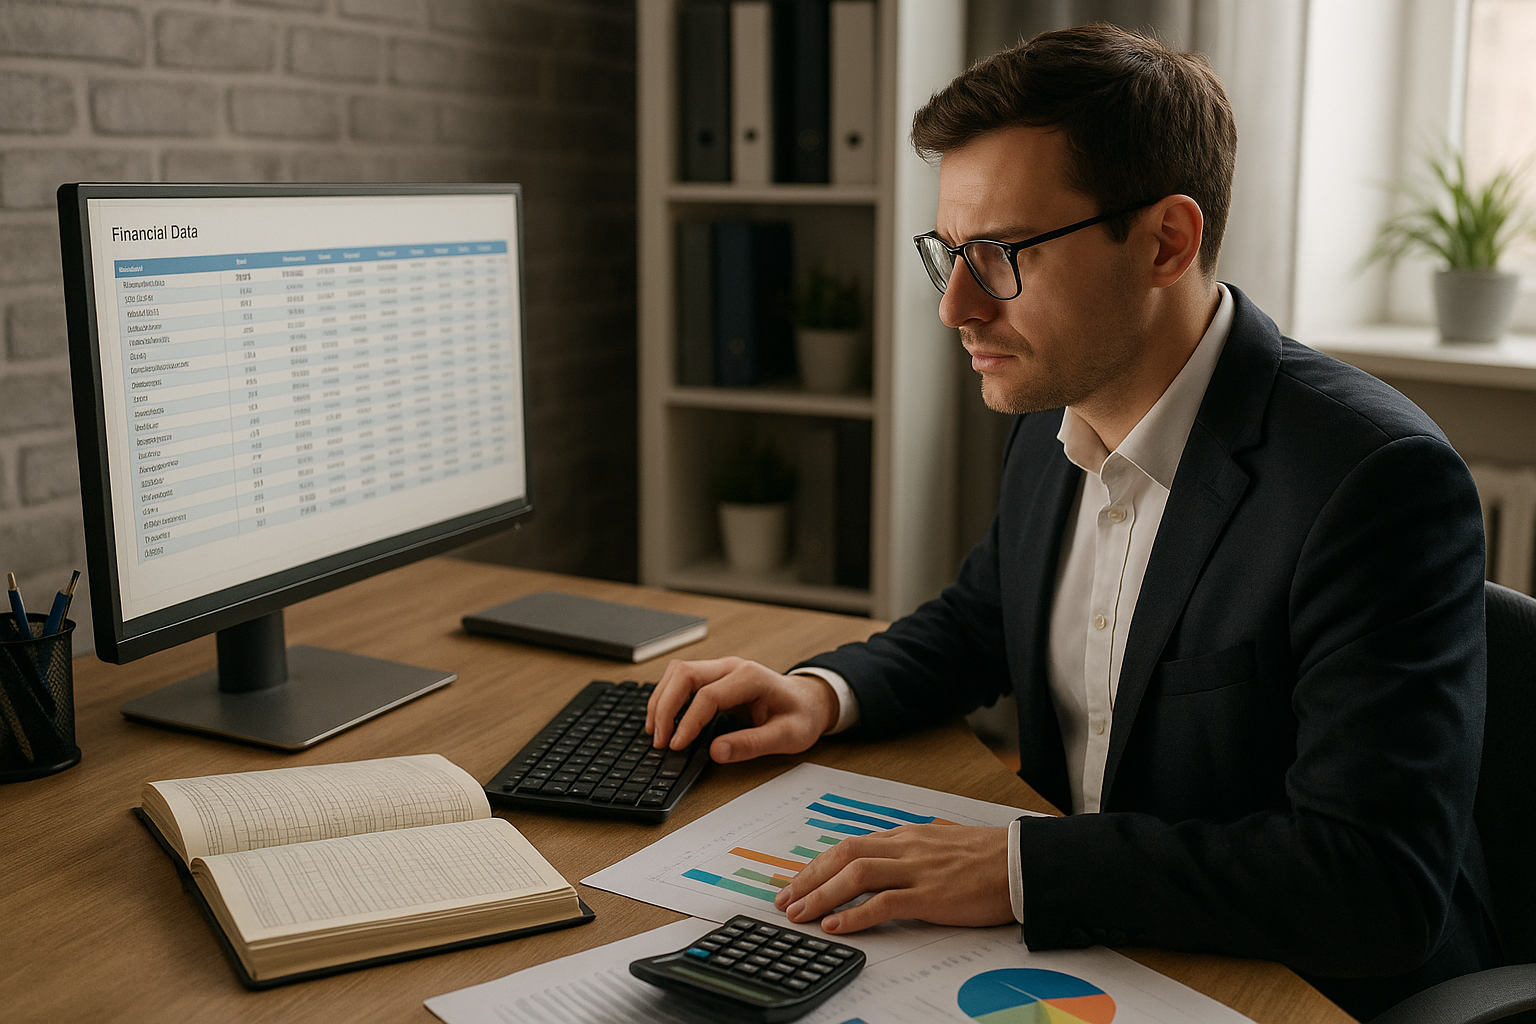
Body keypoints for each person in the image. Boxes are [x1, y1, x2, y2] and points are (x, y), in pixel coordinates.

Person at [646, 23, 1494, 1019]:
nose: (956, 306)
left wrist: (1016, 868)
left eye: (1000, 255)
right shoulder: (1060, 412)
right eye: (949, 254)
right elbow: (981, 620)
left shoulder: (1374, 483)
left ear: (1165, 241)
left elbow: (1369, 887)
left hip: (1293, 989)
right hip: (1092, 962)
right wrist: (823, 692)